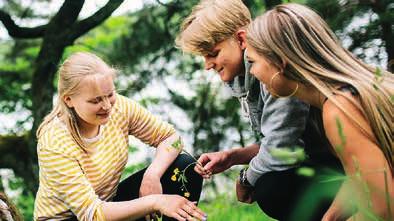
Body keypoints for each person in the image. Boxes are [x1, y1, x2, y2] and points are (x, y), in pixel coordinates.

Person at [176, 0, 343, 220]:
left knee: (272, 188)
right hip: (317, 159)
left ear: (241, 38)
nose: (207, 65)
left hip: (339, 164)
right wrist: (232, 157)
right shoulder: (242, 79)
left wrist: (246, 178)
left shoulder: (274, 73)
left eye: (213, 53)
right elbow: (277, 138)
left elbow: (281, 150)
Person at [245, 3, 393, 220]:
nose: (252, 72)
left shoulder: (340, 108)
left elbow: (385, 206)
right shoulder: (338, 98)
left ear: (280, 63)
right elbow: (361, 176)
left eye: (253, 62)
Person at [33, 52, 207, 221]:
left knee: (187, 166)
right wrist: (155, 202)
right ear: (68, 99)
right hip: (77, 216)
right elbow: (92, 214)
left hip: (108, 204)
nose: (107, 106)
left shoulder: (120, 108)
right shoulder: (54, 141)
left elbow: (171, 138)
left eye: (110, 94)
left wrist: (152, 175)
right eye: (95, 101)